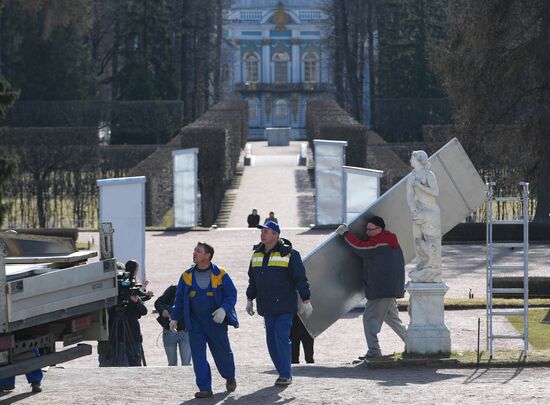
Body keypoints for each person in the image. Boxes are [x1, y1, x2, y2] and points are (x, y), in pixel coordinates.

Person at [245, 221, 312, 386]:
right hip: (266, 307)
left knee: (281, 338)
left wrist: (306, 300)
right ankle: (282, 371)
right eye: (262, 231)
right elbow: (253, 280)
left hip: (284, 306)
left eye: (266, 231)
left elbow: (300, 279)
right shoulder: (256, 255)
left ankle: (285, 374)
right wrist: (249, 299)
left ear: (276, 234)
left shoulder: (290, 254)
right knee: (271, 342)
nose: (262, 234)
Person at [171, 242, 238, 399]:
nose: (194, 253)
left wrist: (223, 309)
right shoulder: (186, 276)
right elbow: (179, 299)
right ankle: (205, 388)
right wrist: (174, 317)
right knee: (198, 356)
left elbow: (231, 294)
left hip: (216, 323)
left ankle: (229, 376)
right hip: (195, 324)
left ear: (207, 255)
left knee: (223, 354)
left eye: (198, 251)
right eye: (194, 250)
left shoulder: (220, 274)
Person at [336, 216, 407, 359]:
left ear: (380, 229)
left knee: (369, 319)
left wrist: (346, 234)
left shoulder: (381, 243)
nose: (367, 232)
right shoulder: (388, 240)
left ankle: (374, 351)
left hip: (381, 289)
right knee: (392, 318)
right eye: (366, 229)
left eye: (370, 229)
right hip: (388, 288)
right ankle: (414, 342)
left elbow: (360, 248)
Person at [406, 150, 442, 283]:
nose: (410, 160)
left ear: (419, 160)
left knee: (431, 240)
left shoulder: (428, 174)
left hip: (431, 212)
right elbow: (409, 195)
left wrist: (420, 186)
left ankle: (433, 267)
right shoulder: (412, 176)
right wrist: (412, 209)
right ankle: (422, 264)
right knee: (417, 239)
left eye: (412, 158)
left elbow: (435, 192)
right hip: (418, 212)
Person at [155, 285, 192, 366]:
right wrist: (163, 310)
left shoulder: (194, 292)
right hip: (169, 331)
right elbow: (158, 302)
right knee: (172, 364)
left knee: (186, 364)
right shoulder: (173, 289)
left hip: (185, 331)